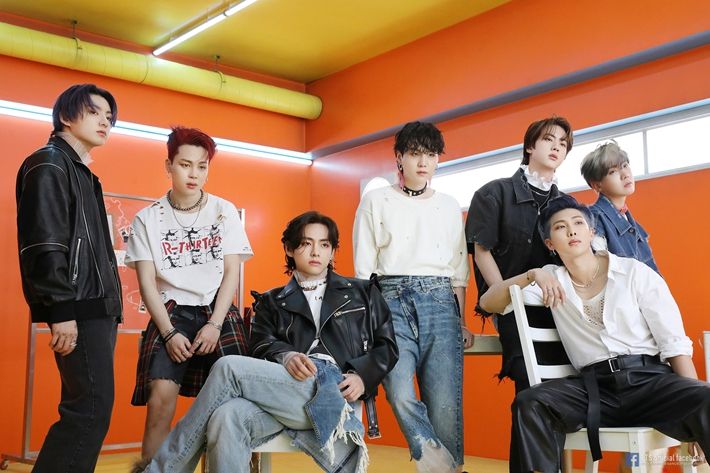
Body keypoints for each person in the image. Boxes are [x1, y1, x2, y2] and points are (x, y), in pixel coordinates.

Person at [140, 211, 398, 473]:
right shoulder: (271, 301)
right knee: (225, 416)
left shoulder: (363, 292)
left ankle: (160, 470)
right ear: (289, 248)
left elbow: (387, 346)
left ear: (332, 251)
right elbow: (260, 344)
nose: (316, 252)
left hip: (334, 391)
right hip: (285, 392)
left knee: (228, 368)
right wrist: (286, 356)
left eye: (324, 244)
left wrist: (362, 376)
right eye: (306, 243)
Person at [479, 194, 709, 473]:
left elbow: (674, 344)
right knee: (529, 402)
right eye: (560, 227)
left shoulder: (634, 272)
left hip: (650, 383)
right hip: (595, 392)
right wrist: (532, 274)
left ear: (592, 232)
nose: (571, 231)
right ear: (550, 243)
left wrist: (694, 407)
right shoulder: (551, 280)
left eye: (578, 223)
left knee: (706, 397)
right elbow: (488, 302)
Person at [125, 126, 253, 469]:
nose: (194, 174)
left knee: (232, 406)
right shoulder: (146, 219)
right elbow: (147, 283)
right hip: (170, 311)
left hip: (217, 310)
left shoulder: (224, 211)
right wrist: (168, 333)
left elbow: (231, 274)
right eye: (185, 165)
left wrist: (215, 324)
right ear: (168, 165)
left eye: (202, 166)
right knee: (160, 401)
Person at [16, 83, 122, 473]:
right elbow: (44, 242)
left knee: (89, 408)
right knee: (89, 409)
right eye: (94, 112)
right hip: (78, 306)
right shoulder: (49, 163)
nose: (104, 122)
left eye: (109, 117)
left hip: (95, 307)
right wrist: (60, 310)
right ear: (66, 116)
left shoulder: (81, 173)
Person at [353, 121, 470, 473]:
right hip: (389, 301)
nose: (423, 162)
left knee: (445, 404)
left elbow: (458, 269)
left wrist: (461, 321)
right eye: (416, 154)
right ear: (399, 157)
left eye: (431, 155)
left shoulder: (449, 205)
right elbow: (364, 271)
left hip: (441, 302)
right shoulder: (376, 200)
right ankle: (444, 467)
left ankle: (446, 469)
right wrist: (367, 324)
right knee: (400, 393)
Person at [465, 116, 573, 473]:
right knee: (532, 392)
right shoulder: (494, 193)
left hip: (559, 311)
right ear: (530, 146)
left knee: (559, 396)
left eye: (563, 143)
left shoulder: (566, 204)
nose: (557, 146)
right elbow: (482, 252)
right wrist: (506, 299)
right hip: (512, 308)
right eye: (549, 139)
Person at [581, 140, 658, 272]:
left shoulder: (633, 225)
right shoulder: (594, 218)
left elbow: (652, 275)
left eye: (625, 165)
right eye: (612, 171)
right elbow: (598, 271)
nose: (625, 174)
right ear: (597, 185)